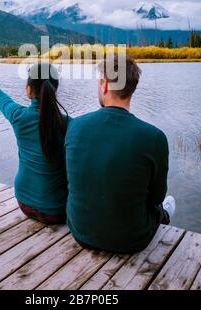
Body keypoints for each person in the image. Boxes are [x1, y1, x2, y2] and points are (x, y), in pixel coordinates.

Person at [65, 54, 176, 253]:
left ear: (105, 85)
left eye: (99, 82)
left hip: (80, 232)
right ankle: (166, 216)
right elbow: (156, 197)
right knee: (165, 205)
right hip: (131, 241)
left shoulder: (74, 126)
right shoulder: (154, 137)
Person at [0, 60, 68, 224]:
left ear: (28, 90)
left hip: (25, 204)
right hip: (56, 211)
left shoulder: (18, 116)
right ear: (55, 91)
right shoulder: (68, 124)